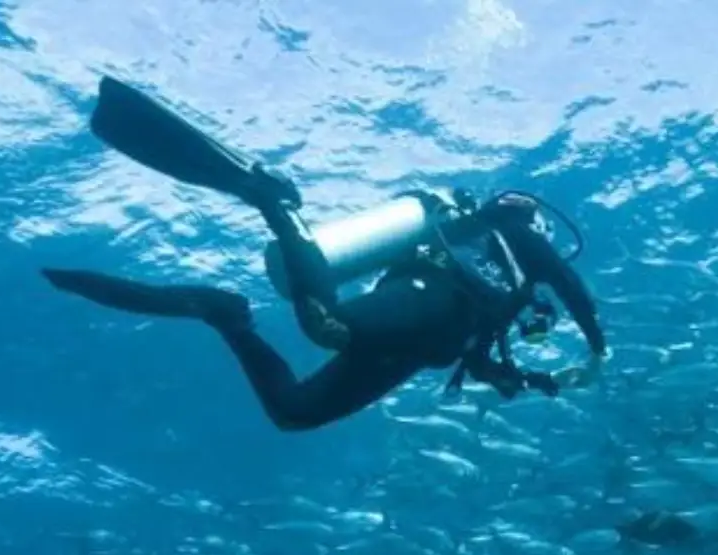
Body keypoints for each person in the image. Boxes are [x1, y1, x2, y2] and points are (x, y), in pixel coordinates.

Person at [44, 76, 608, 432]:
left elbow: (481, 359)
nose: (545, 239)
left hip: (416, 349)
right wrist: (597, 348)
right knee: (327, 324)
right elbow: (570, 284)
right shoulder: (510, 235)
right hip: (430, 296)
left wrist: (537, 381)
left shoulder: (512, 289)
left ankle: (225, 317)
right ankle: (272, 200)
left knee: (295, 413)